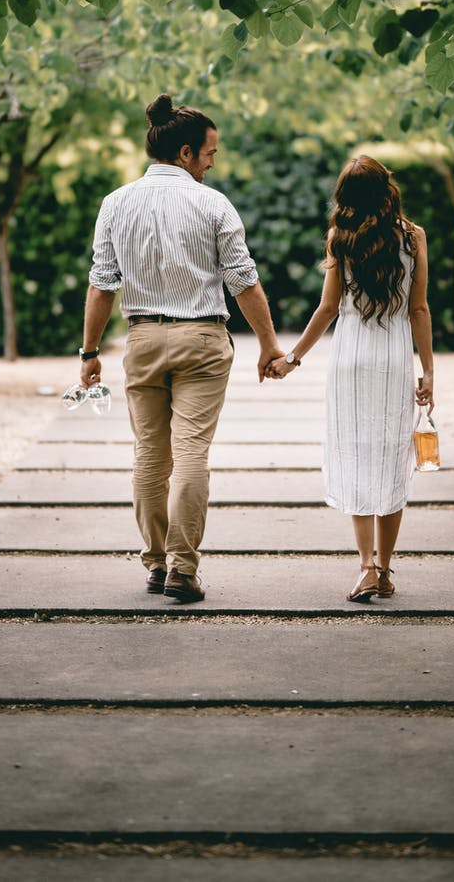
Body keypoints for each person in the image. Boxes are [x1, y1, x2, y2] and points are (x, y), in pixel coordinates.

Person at [78, 93, 283, 604]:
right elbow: (243, 281)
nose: (213, 162)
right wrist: (269, 346)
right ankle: (183, 570)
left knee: (150, 455)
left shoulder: (115, 203)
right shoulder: (213, 204)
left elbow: (102, 285)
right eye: (210, 153)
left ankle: (155, 564)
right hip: (202, 340)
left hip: (143, 338)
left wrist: (88, 353)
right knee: (191, 452)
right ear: (186, 153)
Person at [269, 156, 434, 603]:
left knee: (357, 457)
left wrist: (293, 358)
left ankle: (364, 566)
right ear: (388, 189)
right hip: (393, 360)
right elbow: (418, 309)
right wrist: (429, 372)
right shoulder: (413, 237)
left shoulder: (339, 238)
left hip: (349, 360)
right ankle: (382, 568)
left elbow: (327, 309)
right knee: (391, 457)